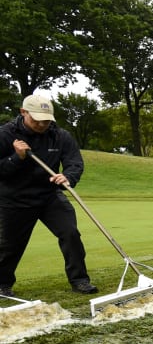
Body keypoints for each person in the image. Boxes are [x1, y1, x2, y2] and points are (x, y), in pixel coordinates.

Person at [0, 94, 98, 296]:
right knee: (10, 245)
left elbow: (74, 163)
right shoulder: (5, 135)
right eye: (37, 119)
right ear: (23, 112)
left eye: (46, 120)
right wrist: (17, 157)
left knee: (70, 234)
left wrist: (68, 176)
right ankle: (3, 284)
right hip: (15, 198)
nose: (42, 124)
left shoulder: (60, 136)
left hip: (49, 195)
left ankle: (80, 280)